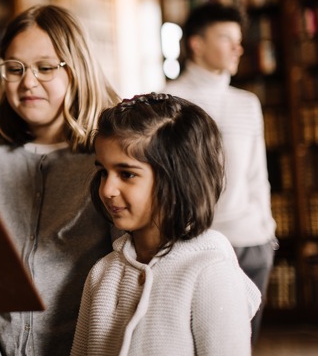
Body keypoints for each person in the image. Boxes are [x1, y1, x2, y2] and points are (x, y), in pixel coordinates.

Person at [0, 4, 120, 356]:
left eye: (45, 68)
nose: (28, 82)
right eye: (14, 69)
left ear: (77, 69)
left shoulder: (109, 160)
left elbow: (124, 271)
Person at [70, 93, 261, 356]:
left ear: (178, 178)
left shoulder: (211, 275)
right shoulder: (101, 274)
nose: (107, 189)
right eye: (103, 171)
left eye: (127, 174)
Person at [163, 2, 277, 344]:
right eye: (226, 38)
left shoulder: (247, 103)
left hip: (253, 242)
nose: (237, 48)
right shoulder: (169, 100)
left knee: (242, 345)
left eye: (238, 39)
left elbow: (258, 175)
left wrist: (266, 232)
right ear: (196, 44)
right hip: (198, 244)